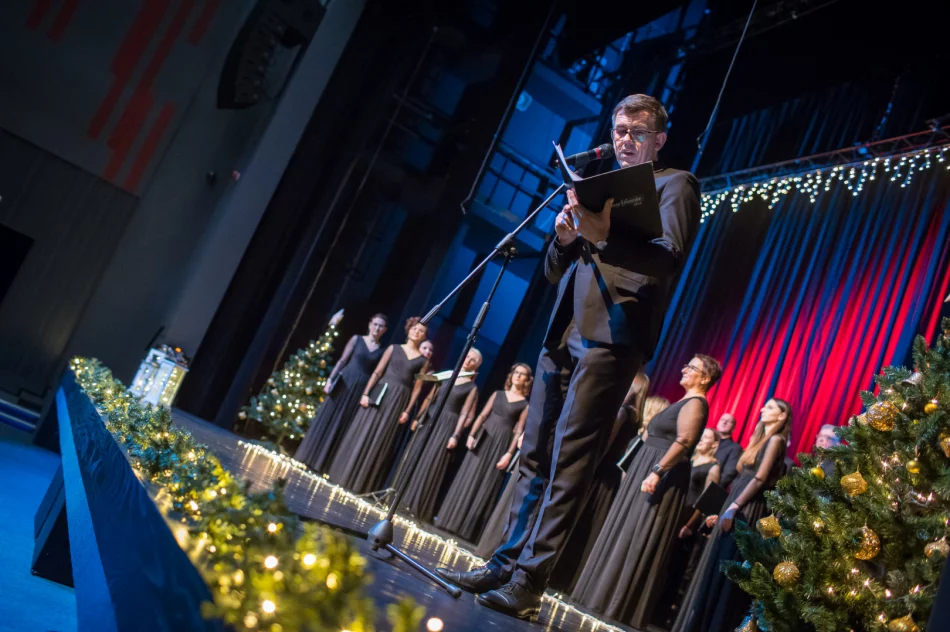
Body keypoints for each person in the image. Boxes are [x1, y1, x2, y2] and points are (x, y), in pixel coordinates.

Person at [436, 93, 701, 622]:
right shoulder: (598, 185)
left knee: (570, 457)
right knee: (535, 450)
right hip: (563, 330)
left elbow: (668, 259)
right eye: (620, 130)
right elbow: (556, 271)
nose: (626, 139)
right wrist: (562, 240)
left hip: (612, 335)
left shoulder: (675, 184)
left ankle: (531, 580)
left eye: (638, 131)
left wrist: (603, 235)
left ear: (659, 138)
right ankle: (505, 562)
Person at [571, 355, 719, 629]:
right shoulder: (685, 401)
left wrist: (657, 471)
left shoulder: (696, 404)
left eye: (691, 367)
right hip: (647, 467)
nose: (684, 368)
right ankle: (598, 594)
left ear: (705, 378)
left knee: (636, 533)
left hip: (662, 474)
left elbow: (684, 441)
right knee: (624, 528)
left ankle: (614, 602)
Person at [672, 398, 792, 632]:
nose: (762, 409)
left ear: (782, 416)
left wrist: (734, 506)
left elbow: (759, 478)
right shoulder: (759, 439)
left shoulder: (776, 440)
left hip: (748, 508)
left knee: (728, 570)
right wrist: (723, 510)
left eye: (769, 407)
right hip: (737, 501)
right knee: (716, 565)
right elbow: (742, 479)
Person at [548, 369, 650, 594]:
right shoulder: (635, 416)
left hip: (598, 472)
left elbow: (605, 444)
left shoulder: (622, 412)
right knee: (589, 524)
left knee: (576, 519)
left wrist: (586, 468)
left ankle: (555, 572)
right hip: (609, 477)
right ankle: (567, 577)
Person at [328, 317, 430, 493]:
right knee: (364, 429)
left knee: (381, 437)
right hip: (381, 391)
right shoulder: (393, 348)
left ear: (424, 336)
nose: (417, 332)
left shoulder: (423, 361)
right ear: (409, 329)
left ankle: (360, 483)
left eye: (421, 331)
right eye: (415, 328)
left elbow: (417, 388)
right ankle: (342, 474)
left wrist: (407, 410)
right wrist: (366, 393)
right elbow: (377, 372)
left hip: (399, 399)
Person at [437, 363, 532, 541]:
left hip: (500, 444)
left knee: (485, 481)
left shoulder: (524, 405)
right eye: (516, 372)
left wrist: (509, 454)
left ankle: (467, 530)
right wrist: (471, 434)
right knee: (468, 477)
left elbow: (518, 431)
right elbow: (482, 415)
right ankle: (448, 520)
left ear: (527, 380)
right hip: (484, 438)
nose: (518, 376)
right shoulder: (498, 394)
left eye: (522, 374)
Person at [295, 313, 387, 473]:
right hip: (345, 381)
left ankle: (323, 465)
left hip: (360, 388)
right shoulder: (357, 339)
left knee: (344, 423)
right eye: (375, 324)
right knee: (328, 416)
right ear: (370, 324)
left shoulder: (382, 351)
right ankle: (308, 456)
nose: (377, 328)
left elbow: (377, 375)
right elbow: (343, 360)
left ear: (384, 330)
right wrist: (330, 380)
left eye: (381, 326)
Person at [399, 349, 482, 522]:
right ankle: (399, 498)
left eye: (473, 360)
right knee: (415, 455)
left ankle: (415, 504)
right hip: (431, 418)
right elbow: (430, 398)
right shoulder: (447, 375)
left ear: (477, 366)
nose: (468, 360)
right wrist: (418, 418)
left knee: (430, 462)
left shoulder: (472, 388)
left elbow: (465, 414)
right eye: (467, 356)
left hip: (447, 426)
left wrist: (455, 435)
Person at [713, 413, 741, 489]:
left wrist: (712, 488)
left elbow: (729, 474)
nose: (724, 422)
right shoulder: (707, 441)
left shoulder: (735, 448)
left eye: (729, 421)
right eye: (722, 419)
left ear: (733, 428)